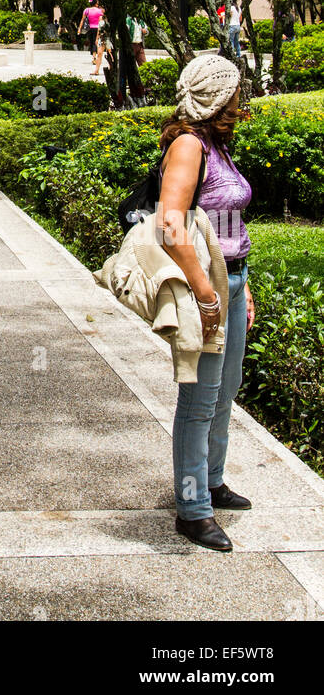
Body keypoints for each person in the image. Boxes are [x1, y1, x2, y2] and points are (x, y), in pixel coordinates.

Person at [157, 52, 255, 552]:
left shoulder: (217, 144)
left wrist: (243, 285)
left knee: (226, 388)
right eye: (236, 91)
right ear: (219, 96)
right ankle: (192, 510)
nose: (242, 99)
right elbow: (170, 222)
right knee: (199, 402)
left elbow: (229, 221)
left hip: (232, 284)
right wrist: (205, 290)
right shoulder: (190, 147)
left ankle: (212, 480)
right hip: (207, 290)